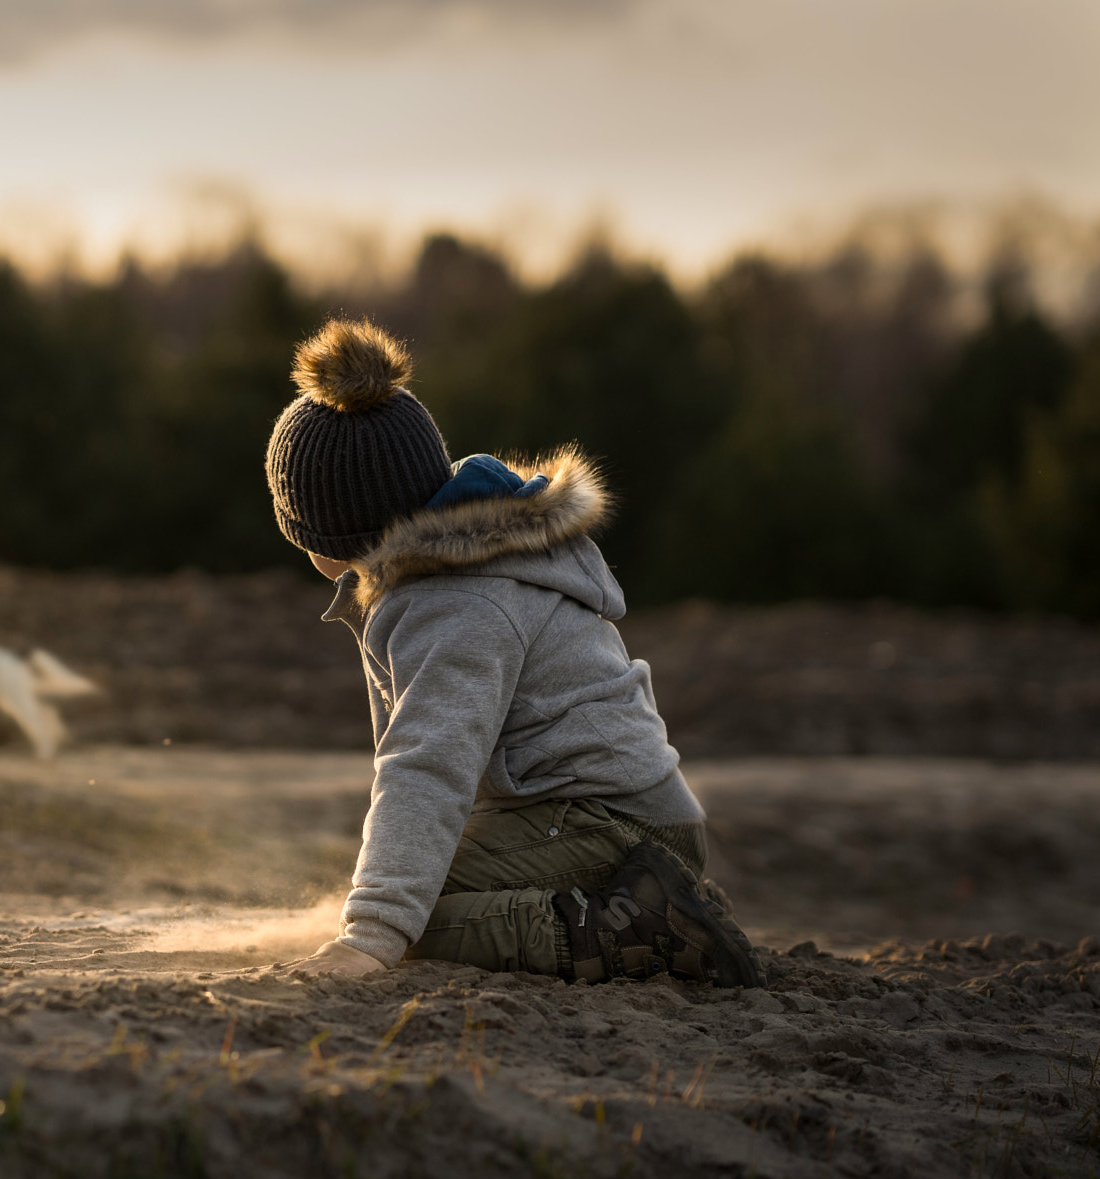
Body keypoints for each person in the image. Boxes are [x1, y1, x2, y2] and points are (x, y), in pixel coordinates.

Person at [264, 318, 765, 987]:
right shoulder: (434, 575)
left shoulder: (459, 608)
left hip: (611, 822)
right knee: (401, 893)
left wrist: (373, 935)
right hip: (592, 813)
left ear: (333, 530)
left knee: (416, 924)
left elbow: (427, 764)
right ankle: (648, 901)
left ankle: (648, 927)